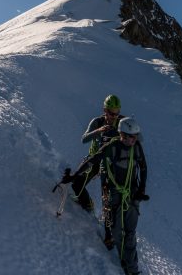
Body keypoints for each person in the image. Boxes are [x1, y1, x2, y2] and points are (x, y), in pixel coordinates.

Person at [63, 117, 149, 275]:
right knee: (117, 232)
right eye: (130, 136)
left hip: (131, 193)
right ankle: (125, 260)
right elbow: (93, 160)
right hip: (115, 193)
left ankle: (132, 269)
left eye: (135, 137)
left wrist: (141, 190)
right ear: (122, 134)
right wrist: (75, 175)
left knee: (130, 233)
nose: (133, 140)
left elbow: (143, 168)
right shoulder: (112, 147)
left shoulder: (136, 147)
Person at [72, 94, 124, 212]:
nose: (114, 117)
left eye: (117, 113)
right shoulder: (97, 122)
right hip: (95, 158)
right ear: (105, 110)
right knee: (77, 183)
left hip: (113, 162)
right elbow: (84, 139)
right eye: (111, 113)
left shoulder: (122, 122)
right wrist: (98, 131)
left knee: (111, 193)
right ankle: (87, 204)